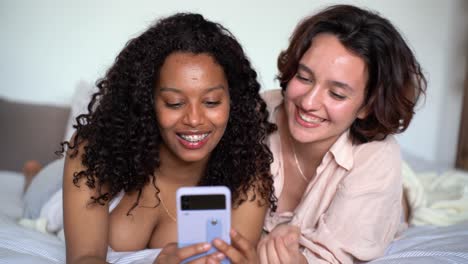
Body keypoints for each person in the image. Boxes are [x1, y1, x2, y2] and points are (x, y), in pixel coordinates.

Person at [23, 13, 277, 264]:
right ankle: (31, 175)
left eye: (211, 102)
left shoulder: (248, 174)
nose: (194, 119)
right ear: (148, 101)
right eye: (174, 103)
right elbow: (84, 258)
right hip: (55, 190)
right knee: (39, 197)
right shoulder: (94, 151)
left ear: (233, 101)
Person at [254, 4, 426, 264]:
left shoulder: (377, 157)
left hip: (376, 179)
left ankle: (404, 193)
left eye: (336, 94)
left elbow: (334, 256)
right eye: (304, 77)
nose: (309, 102)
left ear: (368, 106)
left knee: (402, 201)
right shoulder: (257, 114)